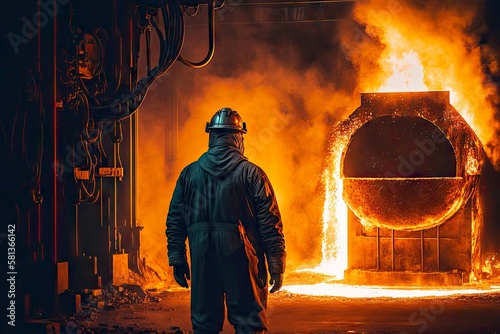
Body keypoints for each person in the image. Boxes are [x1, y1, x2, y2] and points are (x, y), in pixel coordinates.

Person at [165, 107, 286, 334]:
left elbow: (176, 220)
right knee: (249, 323)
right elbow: (270, 223)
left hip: (202, 256)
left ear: (211, 135)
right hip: (240, 257)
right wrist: (276, 264)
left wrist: (178, 257)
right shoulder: (252, 174)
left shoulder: (189, 174)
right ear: (239, 137)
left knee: (204, 324)